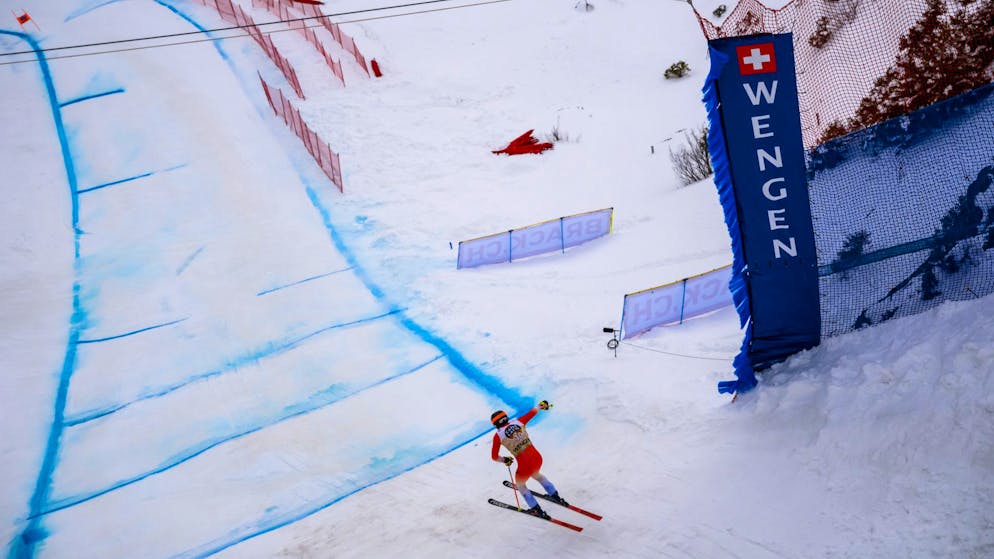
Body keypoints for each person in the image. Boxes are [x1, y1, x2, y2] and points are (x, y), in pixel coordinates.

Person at [490, 400, 567, 519]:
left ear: (495, 425)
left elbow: (494, 457)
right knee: (537, 474)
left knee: (521, 486)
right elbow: (533, 411)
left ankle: (536, 509)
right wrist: (542, 405)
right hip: (537, 458)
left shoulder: (497, 436)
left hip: (524, 465)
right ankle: (555, 495)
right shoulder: (518, 422)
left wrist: (505, 460)